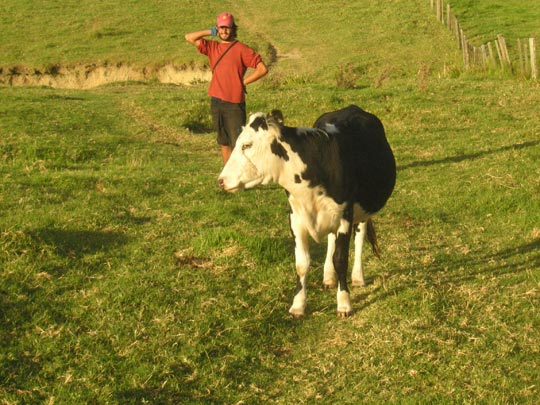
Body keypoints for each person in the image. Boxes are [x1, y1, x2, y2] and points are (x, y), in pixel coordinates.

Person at [185, 12, 268, 163]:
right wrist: (210, 32)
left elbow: (262, 69)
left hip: (234, 103)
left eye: (227, 28)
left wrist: (244, 82)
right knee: (223, 142)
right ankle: (228, 177)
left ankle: (242, 177)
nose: (224, 31)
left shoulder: (242, 49)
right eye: (221, 28)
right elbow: (189, 37)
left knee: (238, 143)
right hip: (216, 101)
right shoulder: (212, 47)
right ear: (217, 28)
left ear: (233, 29)